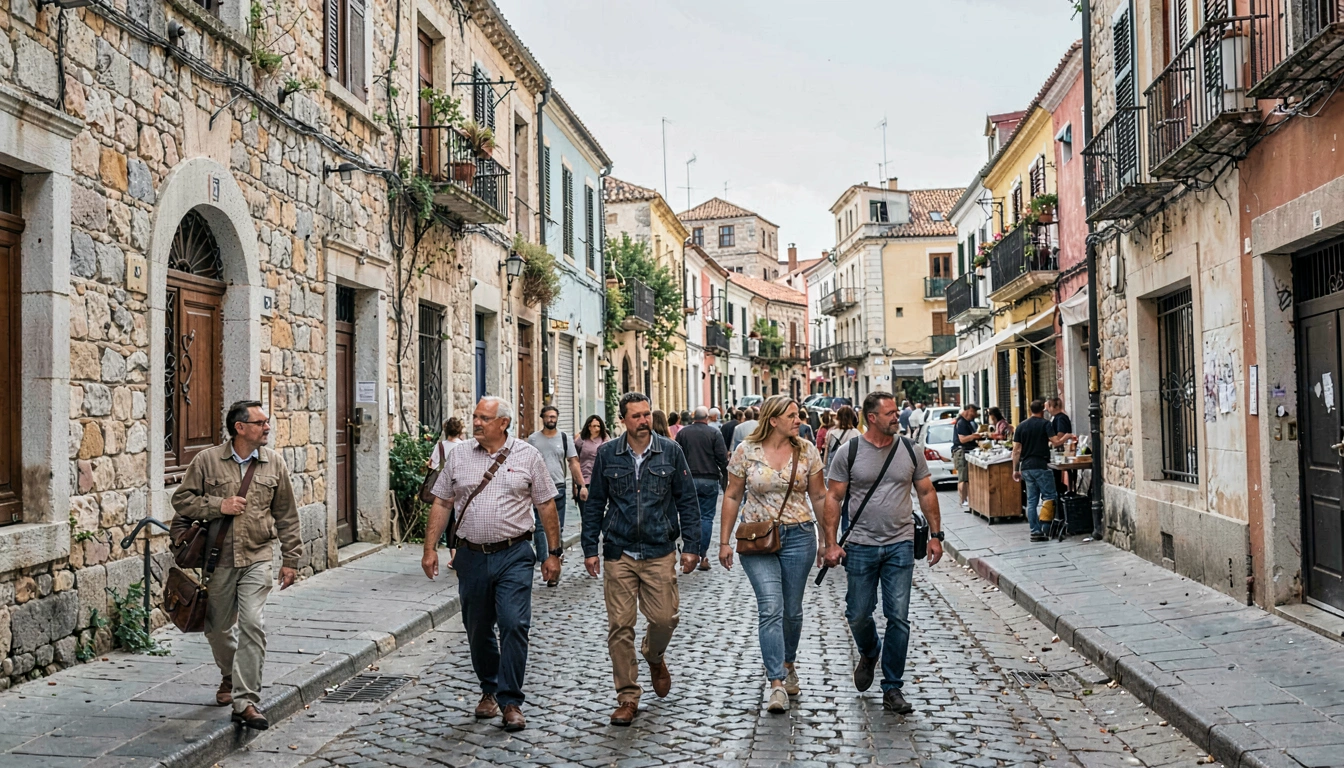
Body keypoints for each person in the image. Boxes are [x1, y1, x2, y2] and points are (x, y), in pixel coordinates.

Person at [422, 396, 561, 732]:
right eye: (475, 417)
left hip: (514, 553)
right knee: (478, 628)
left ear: (504, 423)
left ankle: (510, 700)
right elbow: (442, 501)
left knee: (514, 623)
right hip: (470, 555)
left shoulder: (528, 456)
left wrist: (553, 553)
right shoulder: (459, 455)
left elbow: (545, 506)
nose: (477, 423)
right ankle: (489, 688)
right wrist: (430, 549)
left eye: (484, 418)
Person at [171, 400, 302, 730]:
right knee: (216, 629)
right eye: (260, 423)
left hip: (257, 557)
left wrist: (291, 559)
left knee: (253, 624)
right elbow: (182, 500)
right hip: (219, 561)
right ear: (239, 428)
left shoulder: (274, 464)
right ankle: (230, 675)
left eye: (266, 422)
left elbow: (287, 514)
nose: (267, 428)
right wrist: (219, 505)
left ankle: (245, 701)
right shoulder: (207, 461)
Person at [582, 392, 701, 726]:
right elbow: (595, 505)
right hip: (619, 551)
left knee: (665, 618)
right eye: (636, 416)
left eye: (647, 414)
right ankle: (627, 697)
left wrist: (691, 546)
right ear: (623, 420)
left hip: (659, 549)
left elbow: (687, 500)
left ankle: (654, 655)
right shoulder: (608, 454)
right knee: (620, 626)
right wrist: (590, 548)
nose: (643, 421)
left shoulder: (671, 452)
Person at [821, 392, 944, 715]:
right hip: (860, 544)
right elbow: (833, 498)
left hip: (901, 543)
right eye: (890, 413)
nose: (897, 417)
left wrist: (936, 535)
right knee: (858, 613)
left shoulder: (909, 449)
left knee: (898, 617)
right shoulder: (849, 453)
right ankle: (870, 650)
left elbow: (927, 491)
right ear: (871, 418)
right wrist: (831, 543)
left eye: (896, 412)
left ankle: (893, 687)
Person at [719, 396, 827, 713]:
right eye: (792, 415)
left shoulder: (806, 449)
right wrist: (724, 541)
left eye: (798, 415)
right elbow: (732, 494)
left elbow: (819, 495)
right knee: (770, 606)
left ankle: (789, 662)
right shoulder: (746, 451)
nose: (799, 419)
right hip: (757, 537)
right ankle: (776, 682)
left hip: (800, 536)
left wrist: (827, 540)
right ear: (774, 419)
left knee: (792, 610)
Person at [527, 405, 585, 584]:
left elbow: (573, 463)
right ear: (542, 418)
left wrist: (581, 485)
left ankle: (554, 562)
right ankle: (546, 561)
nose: (551, 419)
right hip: (538, 488)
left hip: (559, 487)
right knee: (540, 527)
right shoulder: (533, 439)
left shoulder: (564, 438)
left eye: (554, 416)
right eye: (548, 417)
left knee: (556, 528)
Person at [676, 406, 728, 572]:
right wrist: (726, 478)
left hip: (688, 479)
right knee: (706, 518)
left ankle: (689, 550)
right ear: (707, 418)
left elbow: (677, 456)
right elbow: (722, 458)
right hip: (709, 479)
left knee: (688, 516)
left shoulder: (683, 433)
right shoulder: (714, 433)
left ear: (693, 417)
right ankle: (702, 554)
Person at [1013, 399, 1058, 543]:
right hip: (1041, 464)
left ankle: (1035, 530)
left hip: (1026, 466)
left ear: (1030, 410)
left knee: (1031, 500)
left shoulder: (1021, 426)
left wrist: (1015, 469)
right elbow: (1055, 442)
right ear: (1043, 410)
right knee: (1049, 496)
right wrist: (1067, 437)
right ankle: (1045, 527)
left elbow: (1016, 450)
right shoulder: (1046, 424)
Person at [575, 415, 610, 524]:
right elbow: (574, 460)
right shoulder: (581, 440)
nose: (596, 429)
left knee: (597, 511)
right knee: (585, 512)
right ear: (588, 427)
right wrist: (576, 485)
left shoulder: (605, 439)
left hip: (600, 479)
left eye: (598, 426)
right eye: (593, 426)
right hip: (584, 480)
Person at [952, 404, 981, 509]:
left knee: (966, 478)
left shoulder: (968, 423)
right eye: (974, 412)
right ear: (969, 410)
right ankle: (963, 500)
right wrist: (974, 436)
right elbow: (962, 439)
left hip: (966, 451)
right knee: (963, 478)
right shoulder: (961, 423)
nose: (976, 415)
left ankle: (966, 499)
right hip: (961, 452)